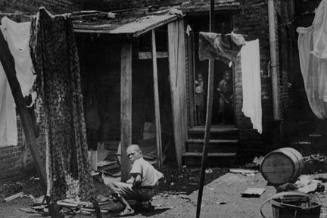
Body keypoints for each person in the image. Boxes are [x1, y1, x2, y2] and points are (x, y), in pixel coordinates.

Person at [104, 144, 164, 216]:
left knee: (111, 184)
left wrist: (134, 186)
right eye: (128, 155)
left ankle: (128, 208)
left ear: (140, 153)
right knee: (128, 186)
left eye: (132, 154)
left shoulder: (137, 162)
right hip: (151, 192)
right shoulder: (147, 164)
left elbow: (138, 180)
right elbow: (161, 177)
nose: (130, 156)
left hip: (142, 192)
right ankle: (143, 205)